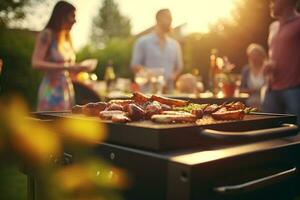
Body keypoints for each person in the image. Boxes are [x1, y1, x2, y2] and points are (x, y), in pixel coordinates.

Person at [32, 1, 95, 111]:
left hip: (66, 89)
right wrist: (68, 67)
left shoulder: (67, 38)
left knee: (65, 125)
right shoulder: (47, 34)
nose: (75, 21)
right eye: (72, 16)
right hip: (50, 90)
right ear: (61, 16)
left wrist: (80, 72)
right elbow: (36, 63)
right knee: (50, 125)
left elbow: (68, 71)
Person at [263, 0, 300, 125]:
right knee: (267, 130)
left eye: (274, 1)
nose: (270, 3)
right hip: (271, 89)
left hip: (294, 89)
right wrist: (267, 64)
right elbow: (273, 53)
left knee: (295, 133)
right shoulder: (272, 26)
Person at [131, 9, 183, 93]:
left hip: (169, 93)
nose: (171, 21)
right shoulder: (142, 42)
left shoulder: (175, 45)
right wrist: (151, 76)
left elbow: (179, 68)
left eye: (171, 18)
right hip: (147, 94)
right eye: (168, 18)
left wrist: (170, 78)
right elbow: (135, 65)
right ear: (158, 19)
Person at [241, 43, 267, 109]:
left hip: (266, 101)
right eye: (252, 55)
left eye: (256, 55)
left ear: (262, 56)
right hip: (249, 103)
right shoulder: (246, 70)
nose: (254, 57)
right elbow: (241, 89)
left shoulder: (267, 68)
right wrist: (250, 90)